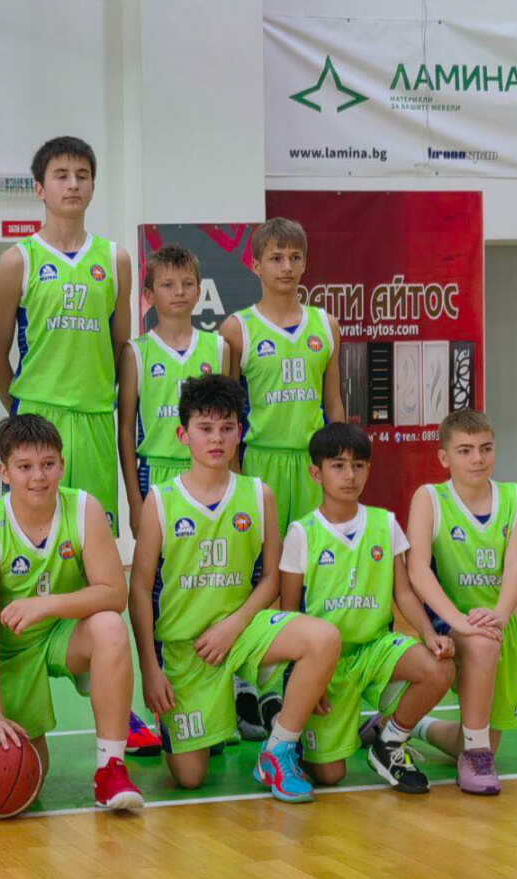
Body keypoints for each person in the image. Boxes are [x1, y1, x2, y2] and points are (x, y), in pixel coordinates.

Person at [127, 375, 340, 798]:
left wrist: (234, 625)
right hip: (187, 648)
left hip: (242, 633)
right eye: (205, 428)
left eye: (227, 428)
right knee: (189, 777)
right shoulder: (161, 500)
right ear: (183, 435)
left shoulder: (259, 494)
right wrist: (150, 669)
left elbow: (271, 579)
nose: (217, 439)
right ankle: (215, 714)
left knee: (323, 638)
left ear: (240, 432)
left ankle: (277, 750)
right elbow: (139, 589)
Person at [0, 413, 146, 811]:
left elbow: (115, 593)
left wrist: (46, 605)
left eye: (47, 464)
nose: (38, 477)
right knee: (23, 779)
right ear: (4, 472)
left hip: (63, 634)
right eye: (25, 467)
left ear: (62, 464)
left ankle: (110, 769)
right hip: (12, 652)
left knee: (110, 626)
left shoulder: (83, 508)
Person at [278, 422, 456, 793]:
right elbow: (290, 615)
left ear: (368, 470)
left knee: (438, 667)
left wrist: (428, 634)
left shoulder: (384, 523)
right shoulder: (301, 532)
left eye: (358, 466)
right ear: (316, 473)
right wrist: (306, 678)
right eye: (338, 466)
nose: (350, 475)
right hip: (327, 663)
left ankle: (389, 742)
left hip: (376, 649)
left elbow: (403, 593)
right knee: (329, 776)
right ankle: (312, 727)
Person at [223, 217, 345, 739]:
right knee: (258, 577)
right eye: (275, 257)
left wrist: (338, 464)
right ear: (255, 264)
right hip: (261, 464)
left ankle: (290, 678)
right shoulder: (238, 329)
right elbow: (228, 414)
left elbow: (334, 403)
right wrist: (231, 479)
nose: (286, 267)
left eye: (295, 257)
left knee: (308, 575)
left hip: (312, 464)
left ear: (306, 263)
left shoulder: (326, 325)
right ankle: (244, 683)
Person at [0, 136, 132, 537]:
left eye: (82, 176)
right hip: (37, 413)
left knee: (92, 537)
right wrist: (23, 407)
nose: (73, 184)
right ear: (39, 188)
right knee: (30, 537)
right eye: (61, 175)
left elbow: (120, 348)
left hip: (94, 416)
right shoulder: (18, 260)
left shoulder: (115, 259)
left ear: (93, 186)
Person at [404, 409, 517, 796]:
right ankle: (475, 758)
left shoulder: (516, 497)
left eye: (486, 448)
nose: (478, 458)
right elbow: (417, 570)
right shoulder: (429, 498)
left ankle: (413, 726)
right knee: (480, 743)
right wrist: (457, 620)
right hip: (446, 619)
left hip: (495, 621)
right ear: (444, 457)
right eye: (465, 450)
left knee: (486, 738)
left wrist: (499, 616)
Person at [118, 243, 229, 528]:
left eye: (187, 284)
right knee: (158, 555)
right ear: (149, 295)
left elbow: (231, 422)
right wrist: (134, 501)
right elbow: (126, 430)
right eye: (168, 285)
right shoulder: (136, 352)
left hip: (209, 469)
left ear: (199, 291)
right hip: (156, 470)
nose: (179, 291)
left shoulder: (218, 348)